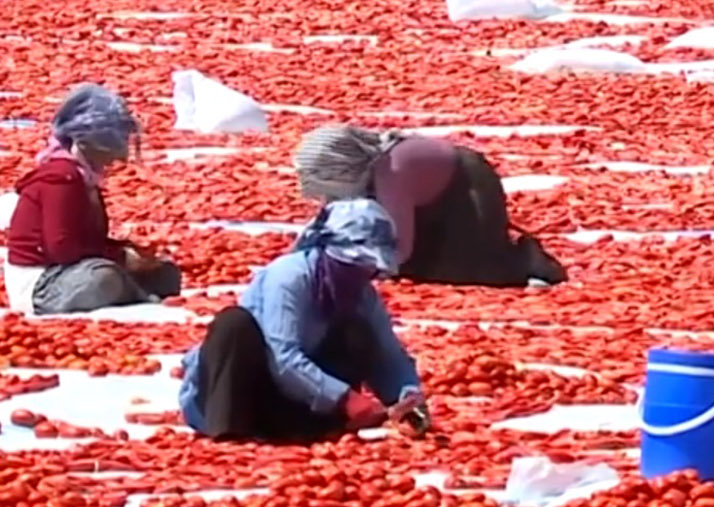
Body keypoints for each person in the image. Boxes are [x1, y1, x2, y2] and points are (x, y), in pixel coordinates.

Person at [178, 199, 425, 443]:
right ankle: (230, 434)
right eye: (350, 267)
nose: (359, 277)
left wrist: (407, 398)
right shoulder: (289, 278)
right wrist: (343, 398)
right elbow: (283, 357)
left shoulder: (362, 293)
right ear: (328, 254)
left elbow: (388, 353)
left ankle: (315, 428)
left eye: (368, 270)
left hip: (288, 403)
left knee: (359, 332)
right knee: (233, 324)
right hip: (250, 387)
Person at [292, 124, 565, 288]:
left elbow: (401, 246)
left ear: (341, 166)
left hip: (466, 186)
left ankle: (526, 257)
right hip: (425, 204)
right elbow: (327, 220)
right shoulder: (359, 172)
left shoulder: (391, 170)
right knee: (418, 271)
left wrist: (355, 271)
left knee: (471, 274)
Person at [4, 84, 182, 315]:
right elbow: (62, 248)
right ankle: (135, 294)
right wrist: (121, 258)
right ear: (88, 143)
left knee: (165, 272)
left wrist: (129, 252)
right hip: (42, 282)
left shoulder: (83, 177)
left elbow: (88, 241)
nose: (116, 155)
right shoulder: (61, 178)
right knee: (103, 278)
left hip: (72, 270)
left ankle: (133, 292)